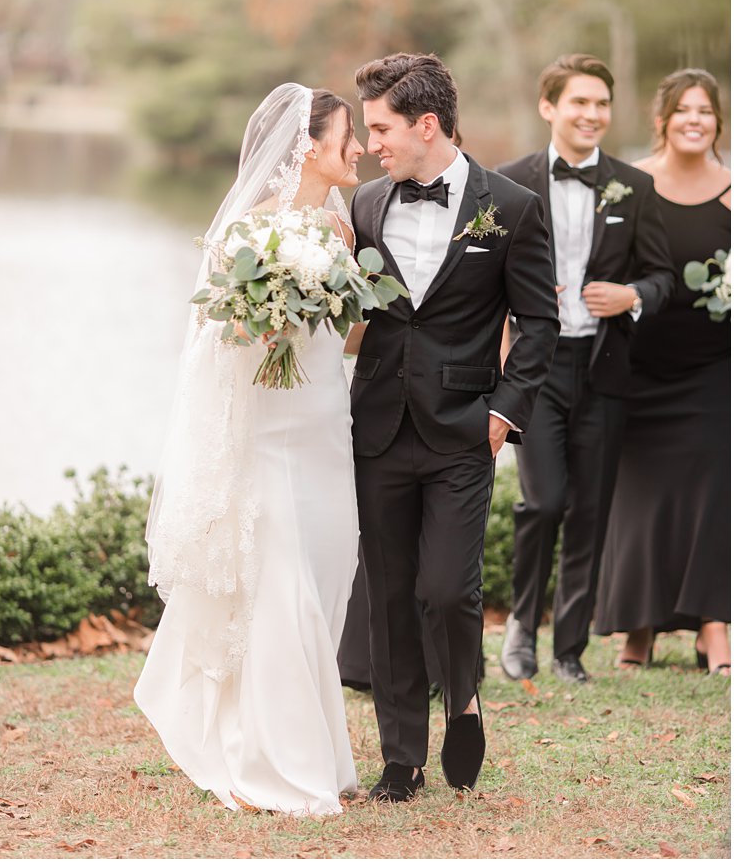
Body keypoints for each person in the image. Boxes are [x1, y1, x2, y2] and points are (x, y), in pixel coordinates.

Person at [135, 84, 366, 816]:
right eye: (345, 137)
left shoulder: (341, 229)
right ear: (308, 149)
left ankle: (317, 747)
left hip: (328, 423)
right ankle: (268, 759)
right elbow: (213, 344)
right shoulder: (245, 233)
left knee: (329, 570)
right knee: (281, 584)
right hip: (271, 431)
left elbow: (349, 334)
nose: (356, 149)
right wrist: (264, 317)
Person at [348, 53, 558, 801]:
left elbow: (538, 324)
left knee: (445, 589)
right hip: (375, 427)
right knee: (390, 594)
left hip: (465, 430)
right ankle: (401, 756)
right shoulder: (365, 205)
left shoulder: (513, 206)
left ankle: (462, 697)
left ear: (425, 124)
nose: (371, 143)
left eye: (381, 127)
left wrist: (504, 415)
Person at [496, 54, 676, 685]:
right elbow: (484, 281)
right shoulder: (509, 183)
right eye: (579, 102)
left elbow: (664, 278)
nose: (592, 115)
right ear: (550, 107)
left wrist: (631, 296)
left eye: (602, 103)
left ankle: (568, 650)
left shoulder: (636, 186)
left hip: (604, 370)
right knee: (543, 503)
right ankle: (521, 627)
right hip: (535, 370)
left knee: (590, 510)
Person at [595, 69, 731, 674]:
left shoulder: (733, 191)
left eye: (706, 111)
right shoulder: (633, 184)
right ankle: (639, 628)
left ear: (717, 122)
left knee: (710, 492)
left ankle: (714, 627)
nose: (695, 120)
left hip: (711, 368)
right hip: (639, 364)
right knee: (641, 496)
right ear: (664, 120)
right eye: (684, 110)